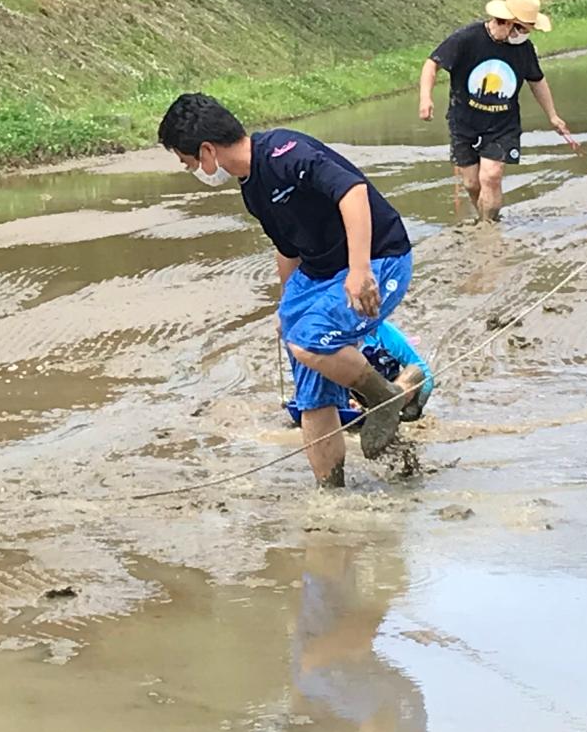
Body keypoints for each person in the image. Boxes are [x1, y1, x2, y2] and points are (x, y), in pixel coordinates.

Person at [158, 93, 426, 489]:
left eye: (190, 162)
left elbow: (351, 192)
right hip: (319, 274)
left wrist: (359, 268)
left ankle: (386, 397)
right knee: (311, 391)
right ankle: (332, 491)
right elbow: (288, 249)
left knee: (310, 342)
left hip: (378, 257)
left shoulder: (285, 152)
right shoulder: (251, 188)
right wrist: (288, 307)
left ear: (207, 150)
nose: (194, 171)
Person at [419, 0, 579, 222]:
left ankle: (489, 229)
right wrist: (426, 98)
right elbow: (431, 64)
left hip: (503, 125)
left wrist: (553, 116)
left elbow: (537, 81)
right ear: (505, 23)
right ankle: (485, 219)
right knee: (472, 184)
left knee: (491, 176)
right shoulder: (467, 39)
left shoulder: (524, 49)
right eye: (522, 29)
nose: (524, 35)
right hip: (463, 121)